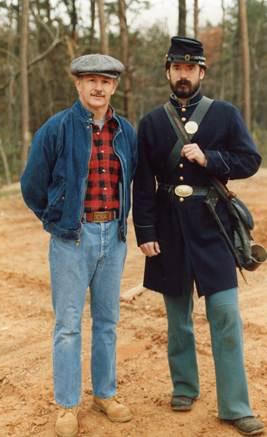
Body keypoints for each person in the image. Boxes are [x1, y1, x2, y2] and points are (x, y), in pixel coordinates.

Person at [133, 36, 264, 435]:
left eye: (191, 68)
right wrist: (146, 230)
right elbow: (142, 183)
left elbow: (250, 159)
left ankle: (236, 405)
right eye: (177, 68)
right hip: (169, 229)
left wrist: (211, 159)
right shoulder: (152, 122)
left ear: (202, 72)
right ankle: (185, 387)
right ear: (168, 73)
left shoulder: (224, 114)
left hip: (214, 227)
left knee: (225, 316)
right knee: (178, 319)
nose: (183, 75)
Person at [21, 53, 137, 437]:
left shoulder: (125, 132)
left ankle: (105, 394)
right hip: (72, 238)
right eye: (90, 80)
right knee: (68, 325)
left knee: (107, 322)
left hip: (113, 237)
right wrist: (56, 219)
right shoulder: (56, 129)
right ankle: (67, 404)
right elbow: (32, 185)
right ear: (77, 84)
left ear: (114, 86)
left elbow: (132, 177)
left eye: (105, 80)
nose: (97, 87)